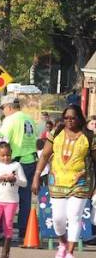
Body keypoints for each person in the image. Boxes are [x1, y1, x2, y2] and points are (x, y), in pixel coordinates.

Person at [31, 104, 96, 258]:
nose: (69, 121)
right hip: (57, 182)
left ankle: (70, 252)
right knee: (58, 218)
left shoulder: (89, 136)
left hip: (81, 182)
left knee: (74, 216)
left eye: (73, 118)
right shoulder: (56, 132)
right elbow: (45, 156)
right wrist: (36, 176)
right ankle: (62, 243)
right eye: (66, 118)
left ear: (80, 118)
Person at [0, 95, 37, 239]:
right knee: (25, 198)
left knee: (6, 196)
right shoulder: (29, 119)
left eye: (3, 109)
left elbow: (1, 142)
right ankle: (24, 230)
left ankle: (3, 230)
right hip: (31, 161)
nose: (3, 112)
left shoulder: (10, 120)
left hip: (15, 162)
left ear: (8, 107)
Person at [0, 142, 27, 258]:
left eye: (8, 155)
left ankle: (6, 251)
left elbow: (24, 183)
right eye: (2, 155)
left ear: (11, 154)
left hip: (12, 200)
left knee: (8, 225)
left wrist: (15, 179)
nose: (5, 158)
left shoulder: (17, 166)